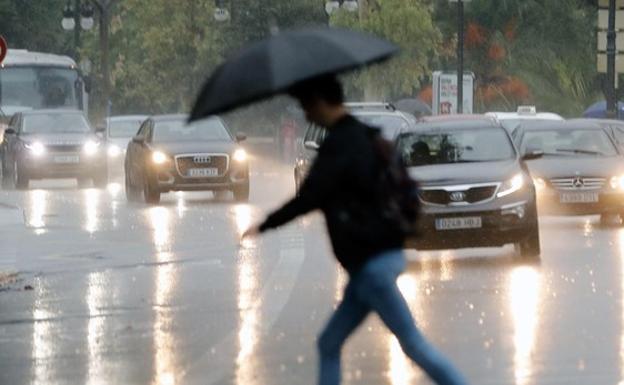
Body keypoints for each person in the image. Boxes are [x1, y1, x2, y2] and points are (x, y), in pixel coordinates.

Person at [242, 75, 468, 385]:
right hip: (378, 257)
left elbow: (309, 197)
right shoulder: (364, 136)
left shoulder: (339, 147)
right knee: (329, 343)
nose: (306, 113)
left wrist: (265, 224)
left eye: (307, 106)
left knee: (412, 343)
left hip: (371, 265)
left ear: (321, 103)